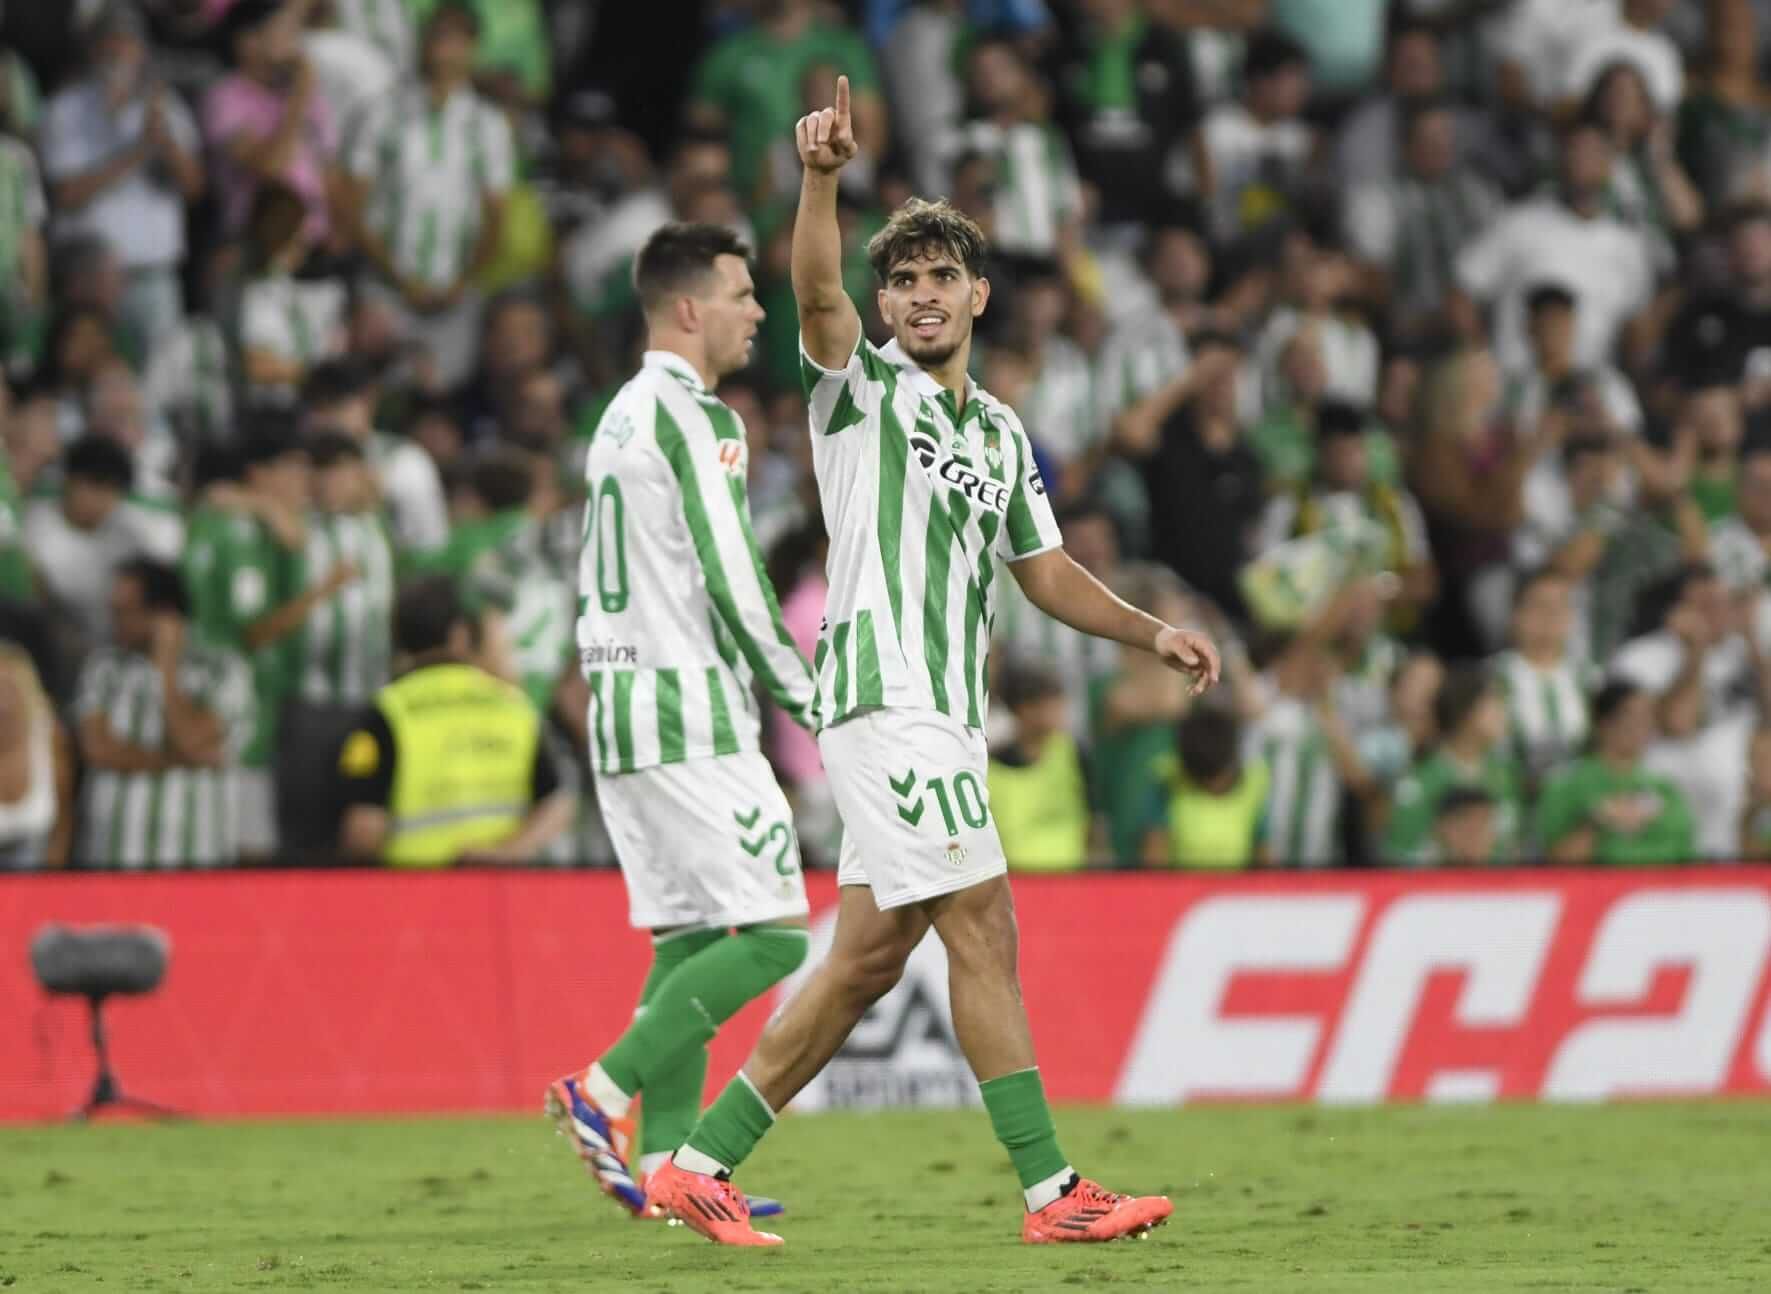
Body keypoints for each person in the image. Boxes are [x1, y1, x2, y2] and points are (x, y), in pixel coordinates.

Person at [646, 76, 1218, 1248]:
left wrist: (1147, 628)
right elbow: (813, 287)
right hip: (882, 694)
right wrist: (820, 179)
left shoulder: (1002, 435)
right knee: (984, 926)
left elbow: (1044, 573)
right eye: (900, 278)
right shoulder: (860, 392)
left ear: (977, 294)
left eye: (938, 277)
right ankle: (1053, 1193)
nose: (916, 294)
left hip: (942, 713)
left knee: (863, 961)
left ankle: (697, 1165)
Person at [537, 222, 818, 1219]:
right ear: (689, 308)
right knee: (780, 935)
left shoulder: (617, 416)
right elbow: (735, 575)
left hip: (618, 705)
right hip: (684, 704)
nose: (756, 311)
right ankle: (598, 1091)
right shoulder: (695, 416)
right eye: (743, 295)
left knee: (689, 936)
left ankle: (668, 1172)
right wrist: (808, 695)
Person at [333, 574, 573, 865]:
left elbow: (364, 831)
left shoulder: (385, 712)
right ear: (459, 635)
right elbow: (557, 803)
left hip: (412, 892)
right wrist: (507, 852)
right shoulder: (513, 706)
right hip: (498, 891)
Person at [345, 1, 515, 388]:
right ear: (423, 42)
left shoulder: (488, 125)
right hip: (386, 285)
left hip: (454, 294)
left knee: (440, 394)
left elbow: (495, 218)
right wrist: (396, 277)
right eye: (440, 36)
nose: (447, 49)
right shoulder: (383, 113)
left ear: (473, 48)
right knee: (379, 389)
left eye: (459, 39)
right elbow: (354, 204)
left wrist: (462, 283)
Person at [72, 558, 253, 867]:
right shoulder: (102, 669)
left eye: (124, 612)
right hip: (114, 861)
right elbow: (98, 749)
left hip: (196, 861)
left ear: (164, 616)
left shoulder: (223, 669)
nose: (114, 620)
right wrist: (177, 760)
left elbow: (190, 741)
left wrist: (166, 667)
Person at [1536, 680, 1696, 865]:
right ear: (1604, 722)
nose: (1643, 727)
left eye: (1649, 716)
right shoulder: (1565, 784)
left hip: (1661, 889)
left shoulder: (1666, 787)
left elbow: (1686, 855)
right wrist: (1599, 821)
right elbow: (1556, 862)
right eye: (1633, 717)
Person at [1383, 665, 1525, 865]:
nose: (1502, 714)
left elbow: (1513, 845)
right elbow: (1401, 856)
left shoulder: (1505, 774)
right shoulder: (1421, 783)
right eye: (1493, 705)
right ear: (1466, 712)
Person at [986, 662, 1093, 872]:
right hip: (1016, 881)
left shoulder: (1072, 753)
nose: (1059, 710)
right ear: (1022, 709)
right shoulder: (991, 768)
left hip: (1072, 879)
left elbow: (1094, 822)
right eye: (1048, 703)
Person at [1146, 705, 1269, 870]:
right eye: (1207, 780)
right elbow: (1154, 855)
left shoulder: (1255, 781)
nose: (1216, 785)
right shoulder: (1167, 778)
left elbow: (1264, 855)